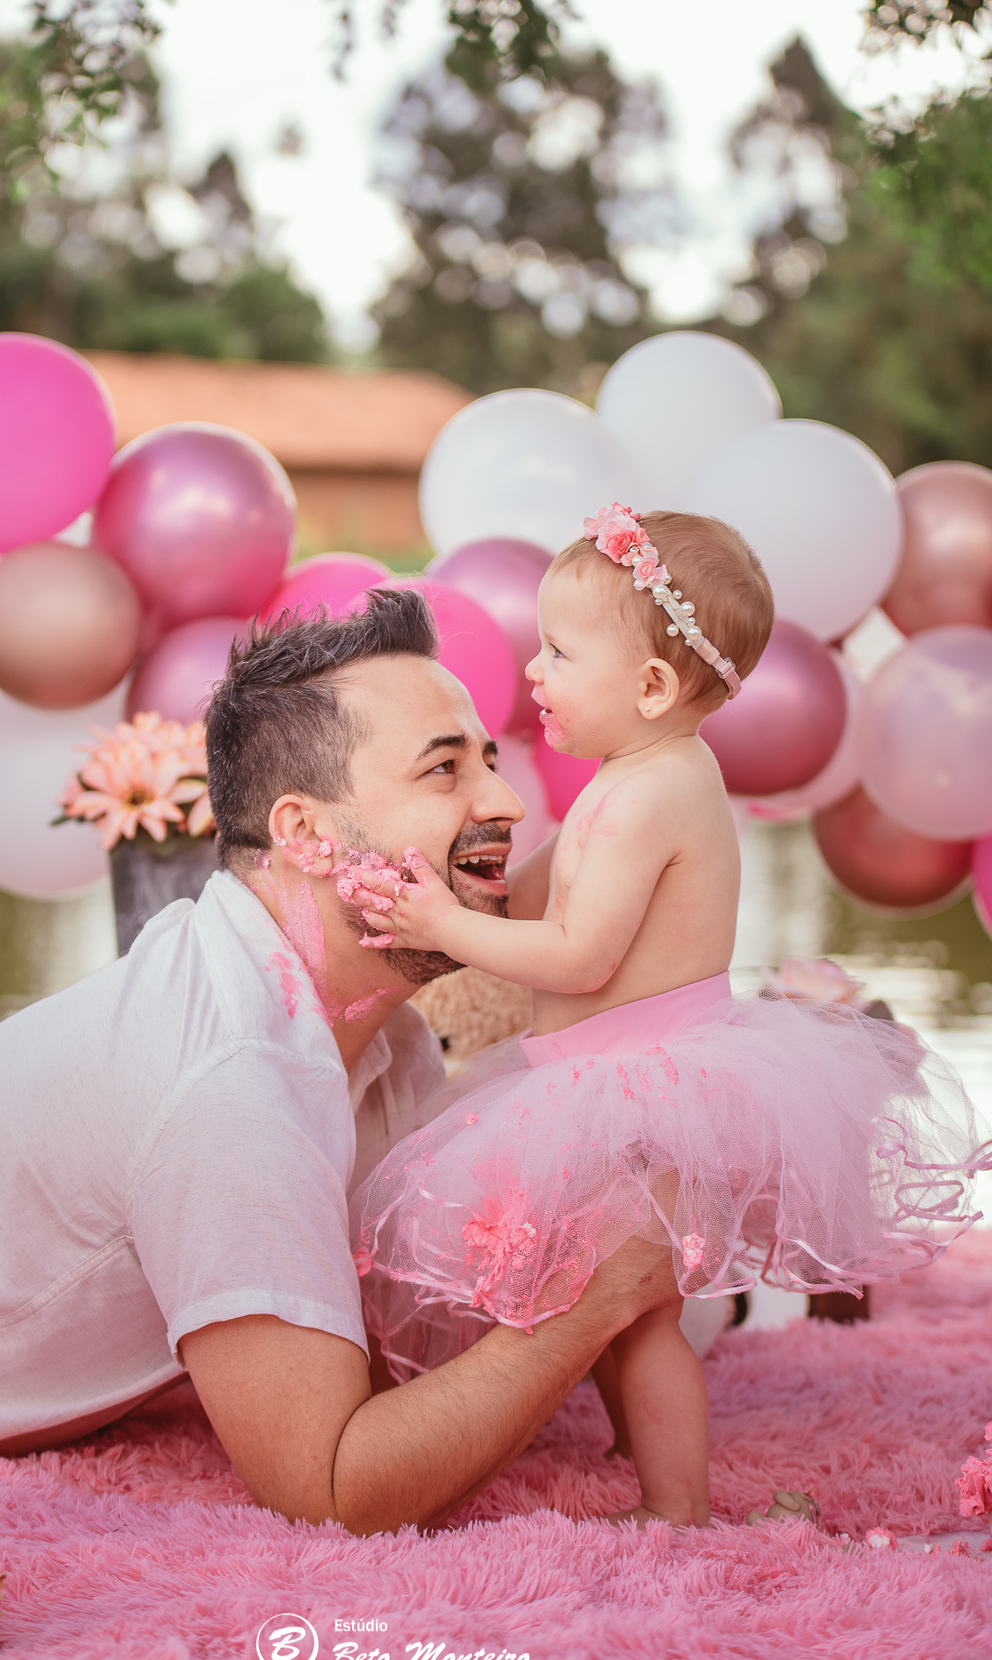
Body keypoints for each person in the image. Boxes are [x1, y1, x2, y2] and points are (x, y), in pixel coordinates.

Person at [0, 591, 678, 1536]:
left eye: (490, 762)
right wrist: (590, 1297)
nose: (504, 803)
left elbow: (395, 1338)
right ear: (303, 835)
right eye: (444, 769)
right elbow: (329, 1489)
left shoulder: (378, 1031)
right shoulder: (230, 1078)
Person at [350, 509, 990, 1531]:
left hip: (641, 1086)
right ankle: (636, 1449)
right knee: (604, 1294)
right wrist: (452, 882)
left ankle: (674, 1502)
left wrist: (439, 925)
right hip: (588, 1072)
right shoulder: (625, 779)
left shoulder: (655, 796)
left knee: (636, 1310)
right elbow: (530, 902)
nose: (533, 672)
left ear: (650, 687)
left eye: (560, 652)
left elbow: (577, 953)